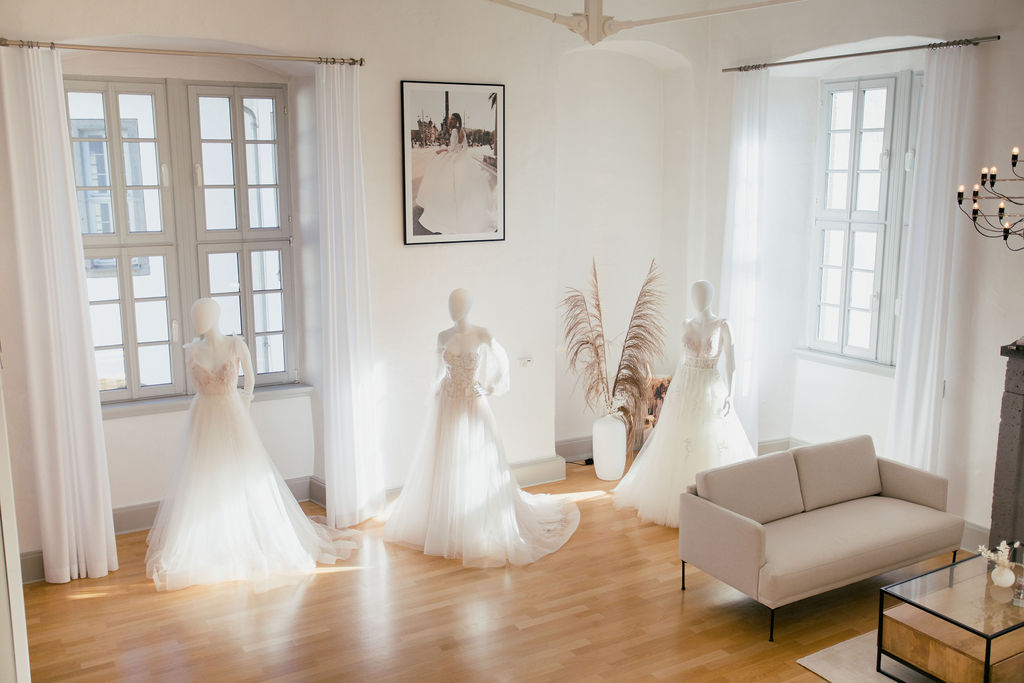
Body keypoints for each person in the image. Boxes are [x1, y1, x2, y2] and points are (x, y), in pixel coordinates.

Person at [145, 298, 359, 591]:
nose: (198, 320)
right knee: (204, 477)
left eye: (203, 314)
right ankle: (211, 541)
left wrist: (245, 403)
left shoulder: (236, 345)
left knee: (242, 475)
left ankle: (248, 536)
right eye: (195, 315)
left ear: (216, 315)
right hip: (204, 417)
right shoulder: (192, 350)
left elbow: (250, 380)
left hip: (231, 414)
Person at [384, 289, 580, 567]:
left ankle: (476, 518)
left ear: (468, 306)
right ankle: (448, 519)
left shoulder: (481, 333)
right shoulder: (442, 336)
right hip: (448, 402)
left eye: (458, 304)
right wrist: (434, 392)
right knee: (447, 459)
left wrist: (490, 385)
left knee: (476, 456)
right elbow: (437, 372)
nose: (454, 309)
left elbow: (502, 360)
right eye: (451, 304)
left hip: (473, 401)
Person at [613, 280, 754, 527]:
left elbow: (732, 363)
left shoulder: (723, 325)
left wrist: (731, 394)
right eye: (695, 294)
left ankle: (712, 502)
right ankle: (678, 500)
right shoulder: (686, 324)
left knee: (709, 439)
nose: (698, 299)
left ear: (710, 297)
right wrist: (674, 394)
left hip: (710, 386)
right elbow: (682, 361)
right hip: (686, 386)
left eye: (703, 294)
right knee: (681, 440)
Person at [415, 113, 496, 235]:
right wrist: (461, 155)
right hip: (462, 158)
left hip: (454, 158)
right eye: (450, 119)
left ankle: (449, 213)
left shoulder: (453, 131)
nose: (451, 121)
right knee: (462, 187)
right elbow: (465, 148)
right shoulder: (462, 130)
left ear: (456, 120)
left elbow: (452, 148)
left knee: (445, 181)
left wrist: (442, 149)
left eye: (453, 119)